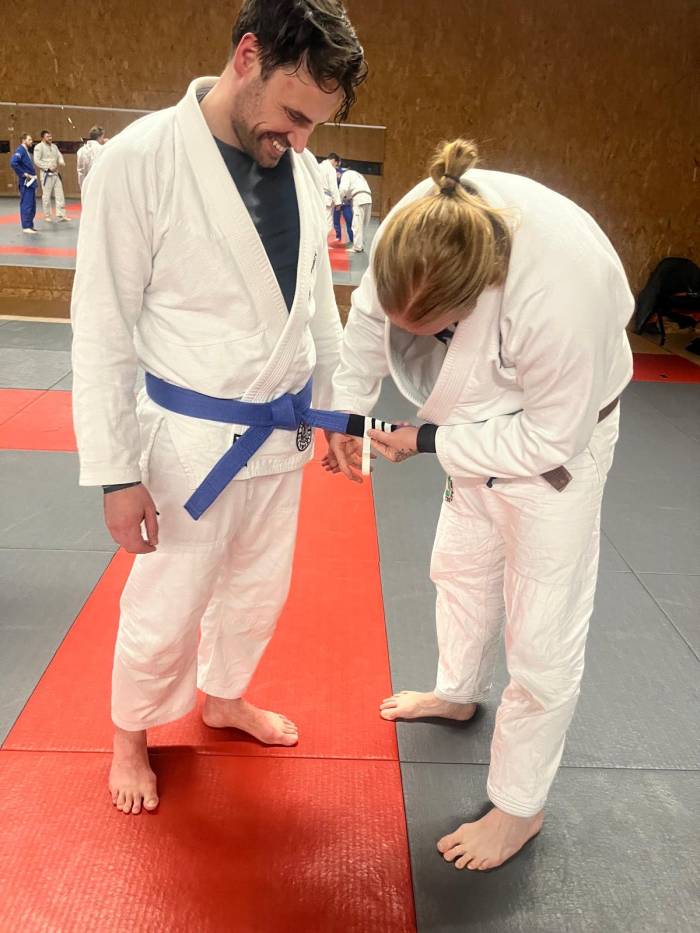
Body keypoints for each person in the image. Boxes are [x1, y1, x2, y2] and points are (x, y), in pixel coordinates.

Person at [71, 0, 366, 816]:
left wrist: (340, 413)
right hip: (189, 447)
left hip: (282, 435)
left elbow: (317, 310)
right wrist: (116, 473)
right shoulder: (140, 162)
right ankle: (130, 732)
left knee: (258, 589)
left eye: (315, 124)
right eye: (293, 115)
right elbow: (101, 329)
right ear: (247, 57)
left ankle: (225, 696)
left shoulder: (301, 170)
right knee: (166, 604)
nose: (301, 139)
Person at [327, 139, 633, 870]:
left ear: (478, 296)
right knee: (460, 566)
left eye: (433, 325)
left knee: (542, 629)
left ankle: (521, 806)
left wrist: (429, 441)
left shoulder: (558, 294)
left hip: (561, 442)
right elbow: (368, 324)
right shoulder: (413, 229)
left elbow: (550, 437)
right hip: (478, 415)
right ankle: (458, 691)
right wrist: (347, 414)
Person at [33, 130, 70, 222]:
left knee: (60, 194)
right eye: (47, 137)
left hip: (55, 174)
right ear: (43, 138)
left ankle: (61, 214)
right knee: (46, 196)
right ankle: (47, 215)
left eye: (50, 136)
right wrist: (47, 167)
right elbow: (36, 161)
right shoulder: (38, 147)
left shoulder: (54, 146)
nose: (50, 138)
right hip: (46, 174)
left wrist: (61, 161)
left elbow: (59, 155)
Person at [9, 133, 38, 234]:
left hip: (31, 181)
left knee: (32, 205)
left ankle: (30, 225)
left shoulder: (26, 151)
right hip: (26, 182)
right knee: (27, 204)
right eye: (29, 140)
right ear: (23, 140)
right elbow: (13, 163)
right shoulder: (20, 150)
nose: (31, 142)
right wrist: (23, 173)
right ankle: (26, 226)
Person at [338, 166, 371, 251]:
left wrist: (339, 201)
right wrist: (347, 197)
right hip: (368, 198)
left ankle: (357, 247)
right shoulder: (358, 175)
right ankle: (361, 245)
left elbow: (343, 189)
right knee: (364, 224)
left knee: (357, 224)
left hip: (359, 198)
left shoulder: (346, 174)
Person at [318, 150, 341, 233]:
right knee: (327, 224)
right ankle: (323, 241)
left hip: (316, 197)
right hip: (326, 199)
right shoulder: (331, 169)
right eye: (336, 165)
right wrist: (337, 202)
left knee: (317, 221)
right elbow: (333, 186)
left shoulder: (318, 166)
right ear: (334, 161)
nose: (336, 167)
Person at [333, 166, 354, 244]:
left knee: (349, 221)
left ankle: (352, 239)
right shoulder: (333, 171)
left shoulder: (348, 174)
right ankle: (338, 238)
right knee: (336, 221)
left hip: (346, 202)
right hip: (336, 201)